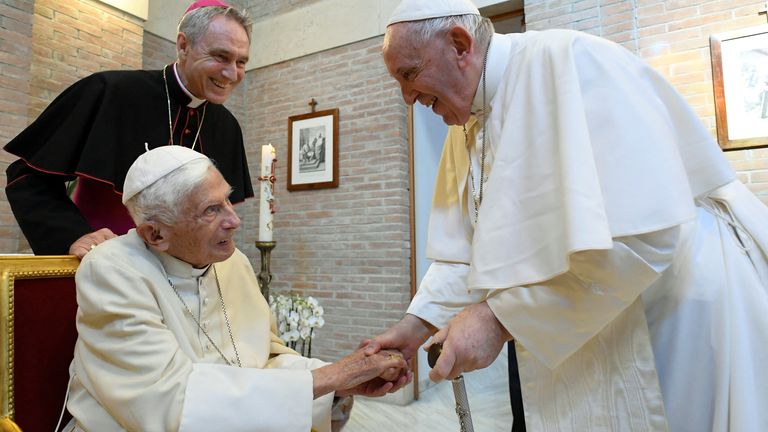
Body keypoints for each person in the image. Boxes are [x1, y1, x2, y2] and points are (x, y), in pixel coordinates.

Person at [366, 0, 768, 431]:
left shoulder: (572, 62)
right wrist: (415, 326)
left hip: (673, 314)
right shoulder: (465, 121)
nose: (408, 98)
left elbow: (645, 236)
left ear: (460, 45)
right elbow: (461, 252)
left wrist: (500, 319)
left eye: (409, 75)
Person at [63, 145, 409, 432]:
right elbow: (170, 404)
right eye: (211, 210)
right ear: (156, 234)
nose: (234, 219)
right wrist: (330, 377)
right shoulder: (112, 271)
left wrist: (337, 385)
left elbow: (266, 358)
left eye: (227, 201)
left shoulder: (233, 261)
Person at [4, 0, 253, 259]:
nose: (231, 73)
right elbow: (26, 177)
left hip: (186, 281)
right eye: (220, 56)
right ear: (183, 46)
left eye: (241, 62)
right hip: (107, 269)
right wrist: (73, 235)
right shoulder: (109, 92)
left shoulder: (228, 128)